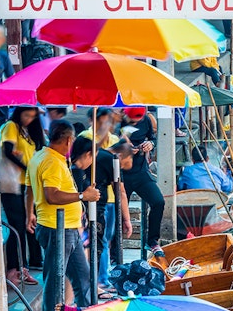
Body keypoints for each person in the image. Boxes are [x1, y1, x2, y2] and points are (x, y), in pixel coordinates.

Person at [25, 121, 101, 311]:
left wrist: (29, 213)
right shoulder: (51, 161)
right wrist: (83, 196)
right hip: (56, 228)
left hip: (68, 227)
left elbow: (30, 189)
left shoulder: (40, 156)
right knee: (55, 280)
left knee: (82, 276)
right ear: (69, 140)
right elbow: (52, 195)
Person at [69, 138, 132, 292]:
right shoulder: (76, 169)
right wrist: (127, 218)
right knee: (93, 246)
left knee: (94, 246)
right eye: (92, 156)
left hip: (87, 212)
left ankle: (94, 285)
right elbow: (121, 192)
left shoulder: (74, 167)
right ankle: (94, 285)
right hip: (86, 214)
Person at [0, 106, 45, 286]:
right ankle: (14, 269)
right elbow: (8, 151)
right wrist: (27, 167)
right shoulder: (11, 126)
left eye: (32, 116)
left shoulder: (28, 131)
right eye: (26, 115)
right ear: (19, 113)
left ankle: (22, 267)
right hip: (10, 183)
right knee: (17, 225)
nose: (29, 119)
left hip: (25, 184)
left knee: (24, 224)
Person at [120, 107, 165, 256]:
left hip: (140, 171)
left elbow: (152, 138)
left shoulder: (146, 120)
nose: (135, 122)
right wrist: (125, 148)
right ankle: (114, 249)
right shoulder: (115, 122)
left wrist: (150, 145)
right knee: (116, 211)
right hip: (120, 174)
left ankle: (152, 241)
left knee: (158, 202)